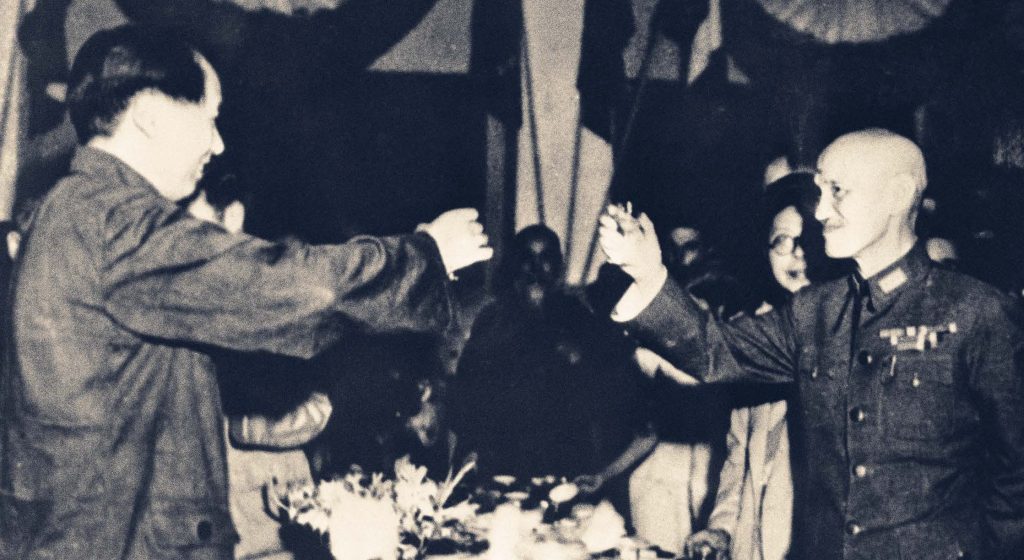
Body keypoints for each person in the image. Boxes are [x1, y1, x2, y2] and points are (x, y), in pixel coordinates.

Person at [0, 24, 491, 560]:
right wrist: (424, 257)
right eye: (210, 118)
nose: (218, 144)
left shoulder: (71, 210)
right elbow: (292, 287)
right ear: (151, 115)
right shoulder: (112, 220)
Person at [600, 129, 1024, 559]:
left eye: (837, 191)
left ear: (897, 195)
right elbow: (715, 352)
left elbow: (1016, 477)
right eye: (820, 192)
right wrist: (648, 271)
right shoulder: (814, 311)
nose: (820, 211)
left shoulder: (978, 311)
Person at [685, 174, 848, 560]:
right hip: (754, 541)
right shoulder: (753, 332)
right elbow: (738, 453)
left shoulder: (846, 331)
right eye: (781, 241)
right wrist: (721, 527)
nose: (796, 255)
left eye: (807, 240)